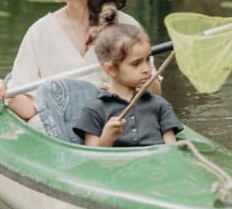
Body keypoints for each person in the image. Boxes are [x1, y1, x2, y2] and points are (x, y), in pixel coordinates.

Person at [0, 0, 159, 142]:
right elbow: (30, 109)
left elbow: (155, 95)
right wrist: (6, 96)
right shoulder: (40, 33)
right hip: (61, 139)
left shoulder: (127, 27)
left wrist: (141, 80)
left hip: (119, 131)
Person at [71, 8, 183, 148]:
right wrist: (106, 139)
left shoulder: (160, 105)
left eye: (147, 60)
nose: (146, 69)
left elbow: (172, 151)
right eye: (136, 63)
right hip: (116, 169)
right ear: (111, 69)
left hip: (156, 167)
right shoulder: (95, 110)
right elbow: (94, 160)